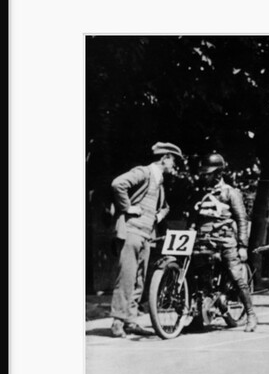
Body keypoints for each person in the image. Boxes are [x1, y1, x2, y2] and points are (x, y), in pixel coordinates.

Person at [110, 141, 183, 337]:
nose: (174, 165)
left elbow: (165, 206)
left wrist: (157, 216)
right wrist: (127, 208)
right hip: (131, 233)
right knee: (126, 277)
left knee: (139, 280)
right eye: (173, 160)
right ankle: (118, 321)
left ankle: (130, 321)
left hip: (146, 236)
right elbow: (118, 184)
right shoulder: (144, 172)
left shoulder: (159, 182)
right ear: (164, 157)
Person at [192, 152, 258, 332]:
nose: (204, 176)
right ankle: (198, 315)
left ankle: (251, 314)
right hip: (203, 240)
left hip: (226, 240)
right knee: (198, 276)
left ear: (219, 173)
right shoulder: (199, 193)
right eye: (204, 173)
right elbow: (195, 218)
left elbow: (242, 219)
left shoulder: (231, 192)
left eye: (209, 173)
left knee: (236, 275)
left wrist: (243, 245)